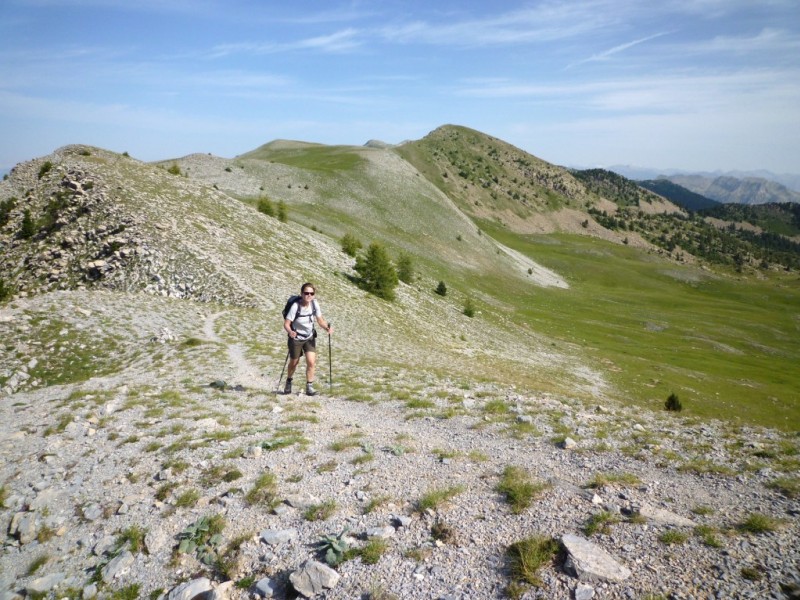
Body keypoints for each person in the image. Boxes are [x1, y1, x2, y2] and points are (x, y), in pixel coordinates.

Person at [283, 282, 332, 396]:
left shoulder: (314, 304)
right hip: (296, 337)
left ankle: (309, 386)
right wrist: (290, 331)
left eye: (311, 293)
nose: (309, 295)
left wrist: (327, 328)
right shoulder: (296, 306)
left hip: (309, 337)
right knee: (294, 362)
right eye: (306, 293)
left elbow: (320, 320)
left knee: (311, 362)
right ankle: (289, 380)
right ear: (302, 294)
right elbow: (286, 323)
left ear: (314, 295)